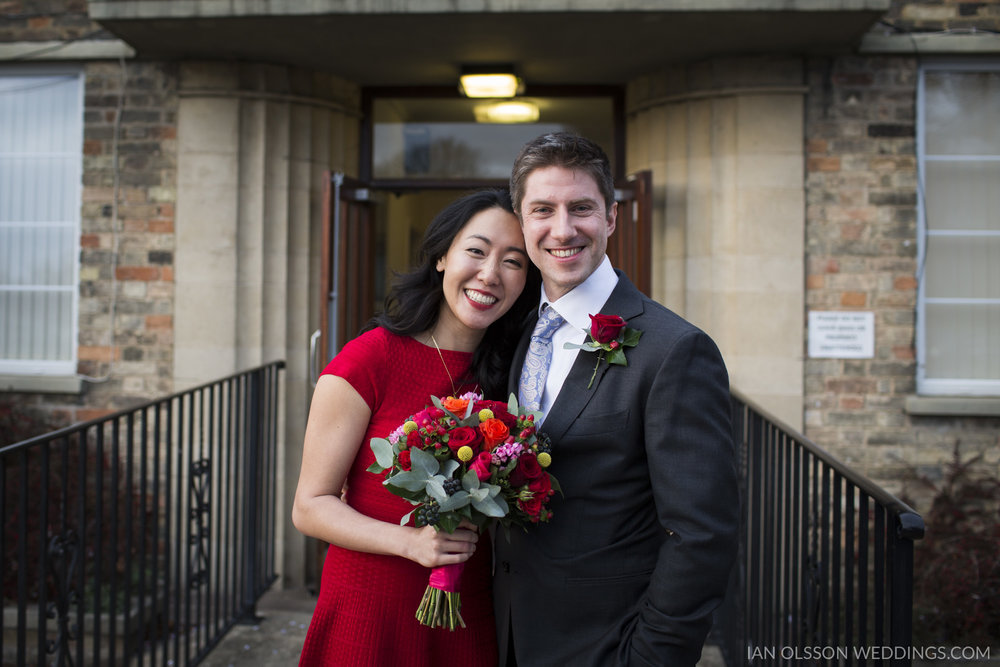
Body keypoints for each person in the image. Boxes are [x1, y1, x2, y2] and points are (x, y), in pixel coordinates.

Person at [493, 132, 739, 666]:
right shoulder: (515, 330)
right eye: (543, 210)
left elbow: (702, 533)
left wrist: (651, 657)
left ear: (610, 218)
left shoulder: (675, 350)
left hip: (607, 645)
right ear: (522, 220)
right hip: (508, 635)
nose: (563, 229)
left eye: (581, 208)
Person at [293, 188, 539, 667]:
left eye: (514, 261)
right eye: (476, 250)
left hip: (468, 614)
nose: (490, 274)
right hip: (370, 611)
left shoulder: (515, 375)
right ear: (443, 256)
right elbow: (310, 507)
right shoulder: (370, 358)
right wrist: (410, 542)